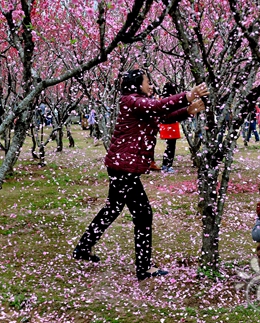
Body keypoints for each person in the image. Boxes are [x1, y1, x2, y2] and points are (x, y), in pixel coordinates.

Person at [73, 70, 209, 281]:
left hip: (121, 166)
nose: (151, 87)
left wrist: (187, 111)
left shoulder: (139, 104)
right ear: (136, 84)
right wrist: (187, 96)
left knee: (113, 209)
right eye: (148, 82)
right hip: (124, 168)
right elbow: (156, 107)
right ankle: (144, 268)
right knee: (143, 214)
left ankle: (83, 247)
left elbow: (162, 116)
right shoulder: (131, 101)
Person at [159, 83, 182, 174]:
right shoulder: (173, 99)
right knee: (171, 147)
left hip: (165, 126)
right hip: (172, 125)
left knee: (168, 146)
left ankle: (165, 165)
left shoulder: (161, 99)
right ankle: (168, 165)